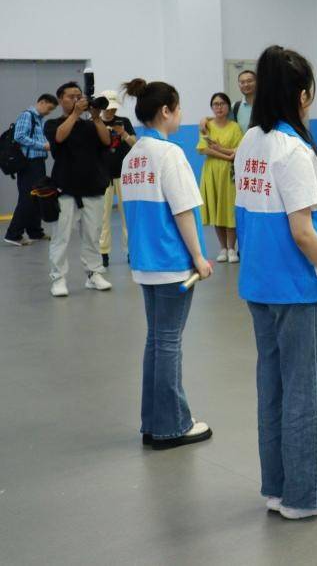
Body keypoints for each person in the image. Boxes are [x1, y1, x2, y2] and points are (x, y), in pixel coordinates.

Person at [234, 45, 317, 520]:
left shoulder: (250, 142)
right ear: (302, 95)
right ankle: (306, 495)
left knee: (274, 387)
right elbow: (303, 232)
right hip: (296, 288)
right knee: (310, 391)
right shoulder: (294, 150)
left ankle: (279, 486)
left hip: (259, 284)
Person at [119, 78, 215, 450]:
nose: (181, 114)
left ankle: (153, 422)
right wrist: (199, 257)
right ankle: (173, 426)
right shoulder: (170, 154)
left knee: (156, 341)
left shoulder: (133, 156)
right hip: (172, 262)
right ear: (165, 111)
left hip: (145, 262)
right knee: (169, 343)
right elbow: (183, 211)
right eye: (178, 107)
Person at [45, 81, 112, 298]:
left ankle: (94, 274)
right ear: (60, 100)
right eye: (71, 96)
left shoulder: (91, 125)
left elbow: (106, 140)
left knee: (93, 235)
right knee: (61, 236)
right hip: (65, 188)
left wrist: (96, 117)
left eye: (78, 96)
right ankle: (58, 278)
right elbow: (59, 137)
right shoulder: (53, 124)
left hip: (92, 186)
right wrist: (75, 114)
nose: (76, 99)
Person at [197, 92, 244, 263]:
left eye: (222, 104)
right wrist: (227, 156)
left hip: (230, 173)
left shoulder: (235, 127)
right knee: (217, 209)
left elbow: (239, 149)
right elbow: (204, 149)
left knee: (229, 209)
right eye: (215, 104)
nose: (219, 107)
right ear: (212, 107)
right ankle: (223, 247)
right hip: (212, 172)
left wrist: (224, 152)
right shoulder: (206, 126)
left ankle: (232, 248)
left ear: (228, 107)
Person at [3, 93, 55, 246]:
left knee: (37, 197)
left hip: (38, 162)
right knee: (28, 198)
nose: (49, 112)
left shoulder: (38, 119)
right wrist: (43, 146)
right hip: (29, 164)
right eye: (49, 108)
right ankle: (13, 234)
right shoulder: (27, 116)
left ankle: (35, 231)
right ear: (42, 102)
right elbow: (19, 136)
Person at [97, 91, 135, 267]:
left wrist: (123, 133)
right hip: (102, 175)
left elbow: (135, 144)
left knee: (127, 215)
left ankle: (131, 251)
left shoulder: (123, 122)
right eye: (108, 108)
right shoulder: (95, 123)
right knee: (103, 216)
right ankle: (103, 252)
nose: (111, 111)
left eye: (114, 108)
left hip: (124, 175)